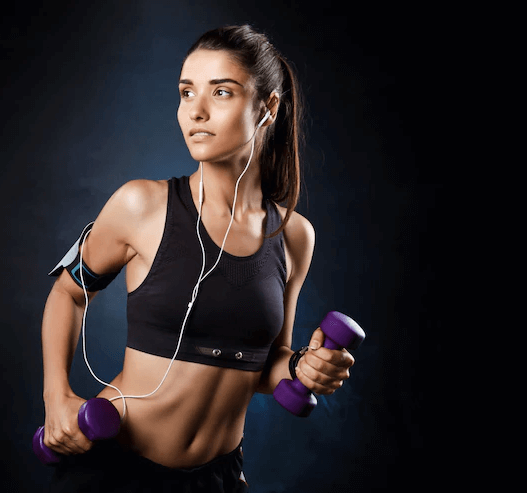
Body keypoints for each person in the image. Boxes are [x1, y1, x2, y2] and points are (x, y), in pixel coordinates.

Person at [40, 25, 355, 492]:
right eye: (187, 93)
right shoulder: (141, 206)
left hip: (217, 478)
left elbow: (266, 365)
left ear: (267, 108)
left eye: (221, 92)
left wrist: (304, 368)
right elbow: (67, 292)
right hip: (115, 468)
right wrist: (56, 397)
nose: (196, 112)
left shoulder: (293, 236)